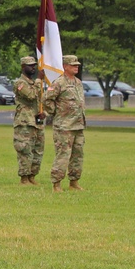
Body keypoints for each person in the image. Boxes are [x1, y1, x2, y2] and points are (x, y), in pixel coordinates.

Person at [44, 54, 86, 192]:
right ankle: (56, 183)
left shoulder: (78, 82)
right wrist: (55, 112)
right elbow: (47, 99)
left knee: (77, 155)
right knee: (63, 155)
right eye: (73, 65)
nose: (76, 67)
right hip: (64, 126)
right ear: (65, 66)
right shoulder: (59, 83)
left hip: (78, 125)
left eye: (77, 65)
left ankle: (74, 182)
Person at [13, 56, 46, 186]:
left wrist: (43, 112)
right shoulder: (20, 83)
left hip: (36, 121)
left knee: (38, 150)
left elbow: (39, 100)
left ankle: (32, 175)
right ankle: (24, 178)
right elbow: (32, 96)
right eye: (30, 65)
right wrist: (39, 79)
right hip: (24, 122)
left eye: (34, 65)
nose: (33, 68)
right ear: (23, 67)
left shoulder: (34, 84)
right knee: (25, 149)